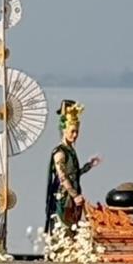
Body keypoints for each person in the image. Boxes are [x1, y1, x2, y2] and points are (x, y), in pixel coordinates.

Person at [45, 100, 101, 233]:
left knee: (74, 229)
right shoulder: (60, 153)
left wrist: (89, 166)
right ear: (64, 130)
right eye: (72, 131)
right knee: (64, 230)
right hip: (64, 198)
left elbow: (74, 174)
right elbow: (63, 177)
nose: (75, 135)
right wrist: (74, 195)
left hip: (74, 196)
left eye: (77, 132)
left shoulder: (70, 150)